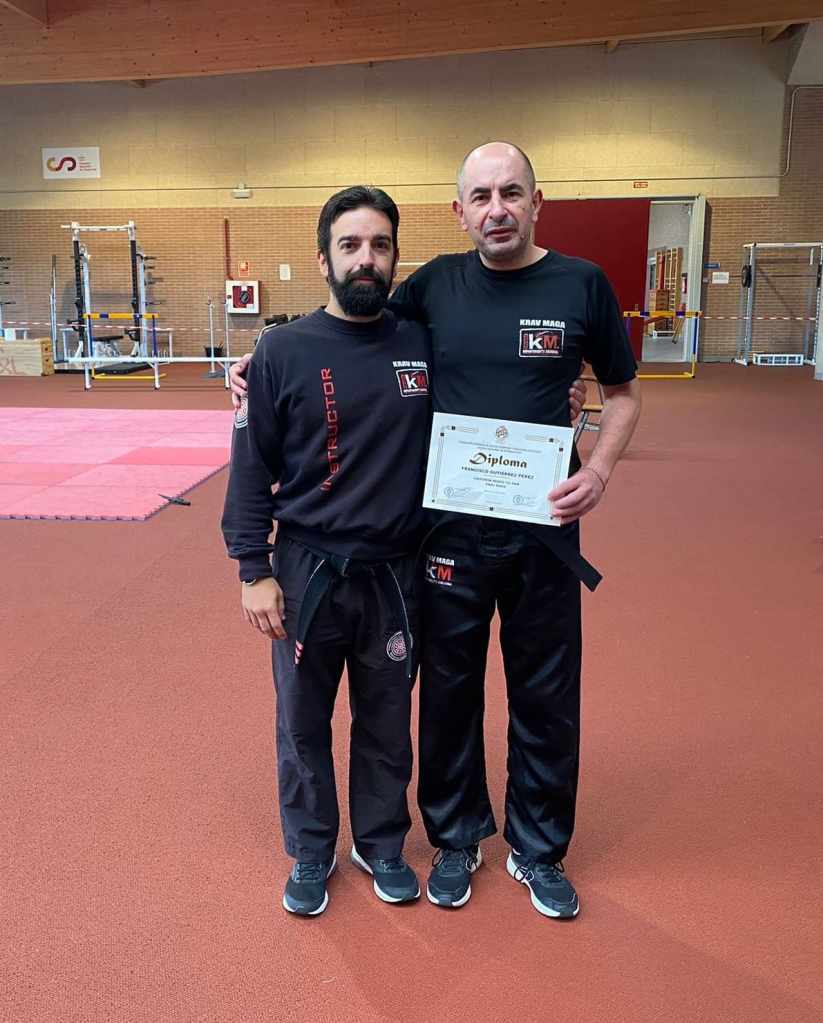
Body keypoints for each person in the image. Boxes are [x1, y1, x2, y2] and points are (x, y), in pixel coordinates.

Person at [230, 142, 639, 920]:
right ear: (459, 211)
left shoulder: (580, 284)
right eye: (480, 195)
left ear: (535, 200)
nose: (496, 208)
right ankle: (454, 839)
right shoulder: (433, 289)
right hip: (443, 536)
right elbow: (344, 327)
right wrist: (251, 365)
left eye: (510, 192)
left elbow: (620, 393)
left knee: (545, 693)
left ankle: (537, 848)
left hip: (540, 530)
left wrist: (601, 470)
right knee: (446, 693)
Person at [221, 186, 431, 916]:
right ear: (324, 259)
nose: (365, 258)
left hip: (394, 573)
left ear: (395, 257)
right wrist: (253, 568)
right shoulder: (280, 350)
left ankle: (378, 843)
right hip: (306, 568)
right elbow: (251, 464)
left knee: (384, 718)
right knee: (302, 719)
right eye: (350, 245)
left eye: (378, 244)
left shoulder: (418, 342)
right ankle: (312, 848)